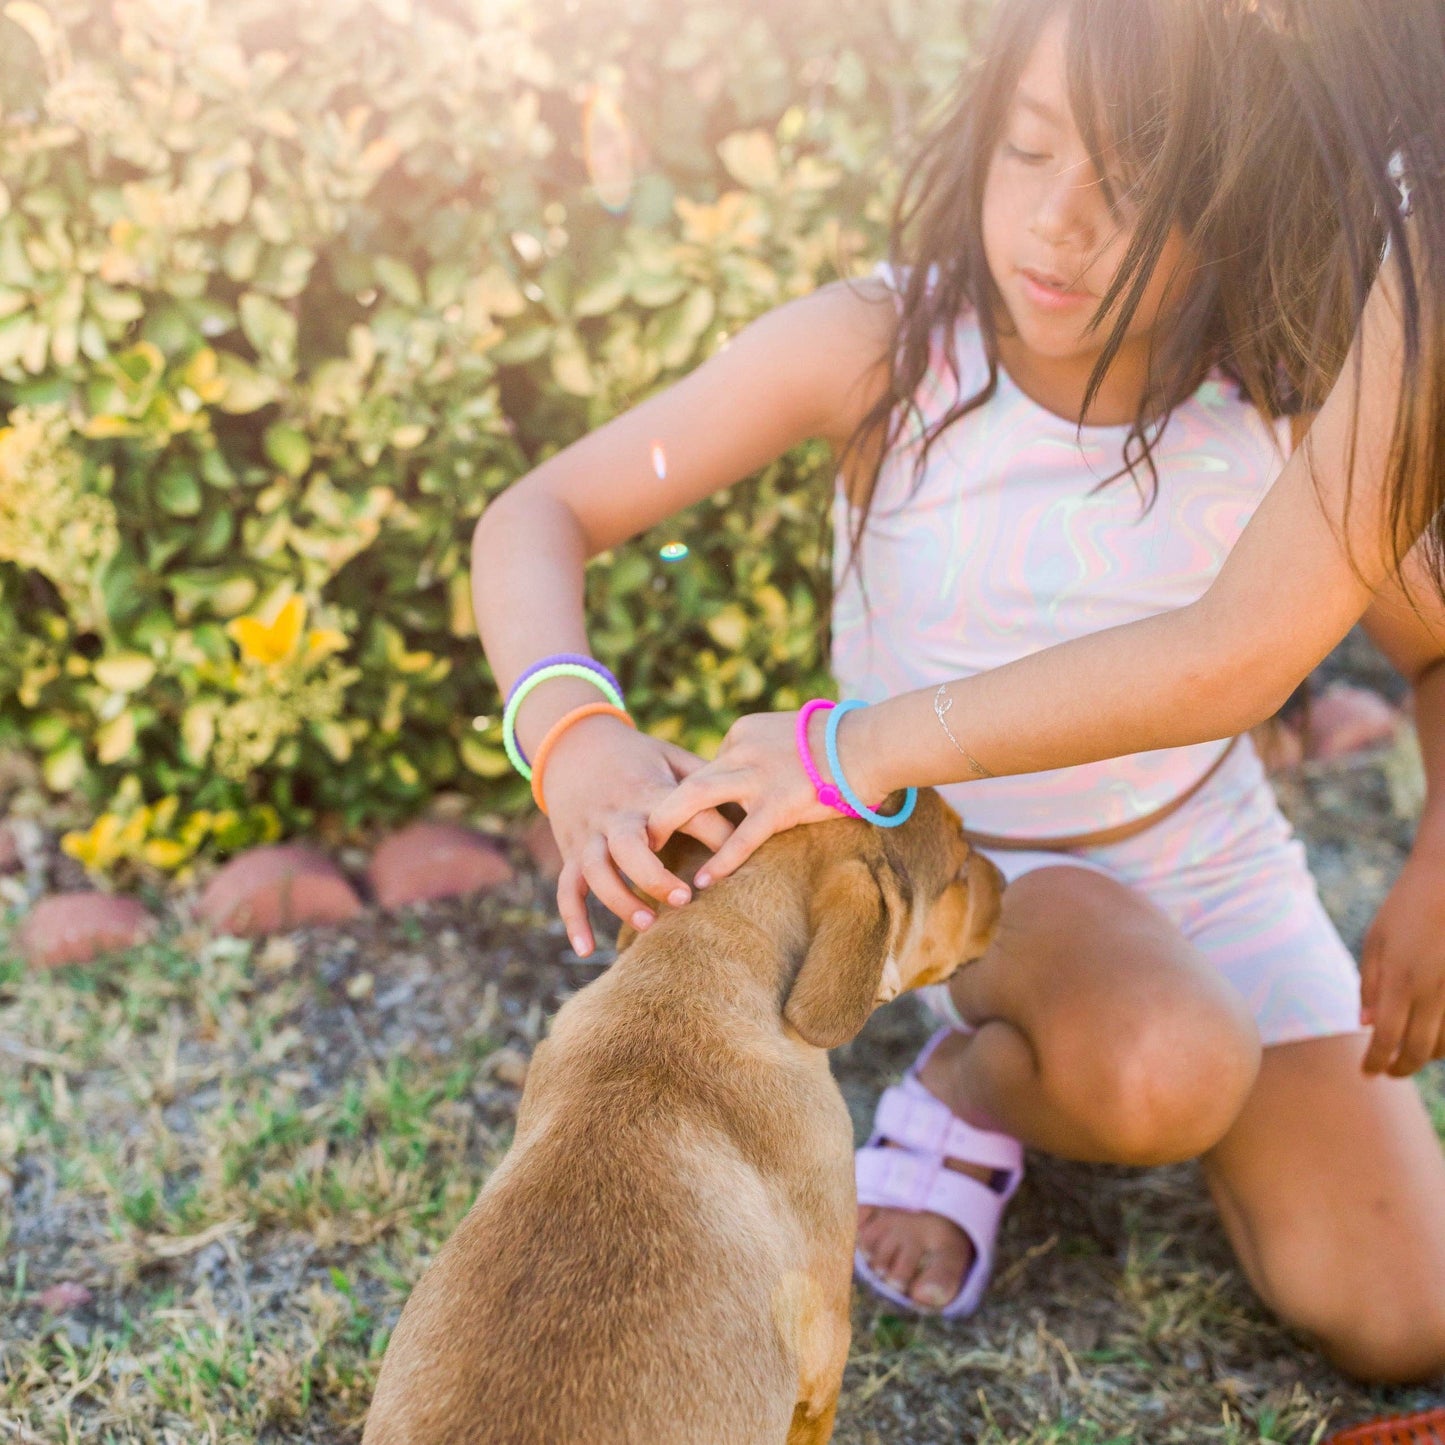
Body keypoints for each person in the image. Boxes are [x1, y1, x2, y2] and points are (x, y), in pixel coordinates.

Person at [473, 0, 1445, 1385]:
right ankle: (966, 1089)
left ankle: (1141, 1067)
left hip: (1217, 877)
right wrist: (572, 734)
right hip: (981, 881)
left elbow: (1432, 645)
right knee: (1164, 1058)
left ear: (1240, 200)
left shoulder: (1286, 404)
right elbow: (538, 511)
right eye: (1028, 151)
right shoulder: (886, 352)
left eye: (1131, 190)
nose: (1058, 223)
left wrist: (1435, 866)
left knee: (1405, 1315)